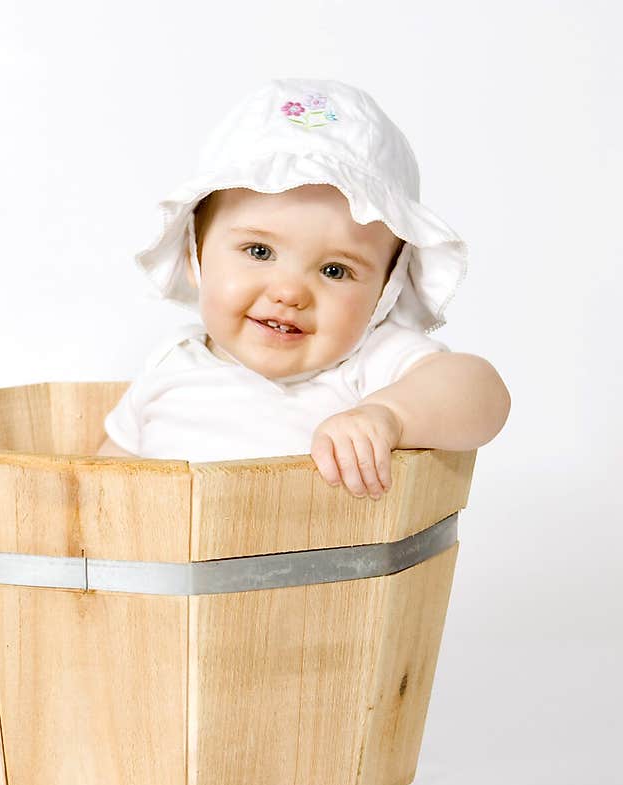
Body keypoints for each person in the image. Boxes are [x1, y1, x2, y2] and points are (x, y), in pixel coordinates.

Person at [97, 78, 510, 500]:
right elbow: (101, 486)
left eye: (334, 270)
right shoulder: (170, 365)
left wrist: (389, 415)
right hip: (173, 563)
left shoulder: (368, 366)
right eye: (259, 251)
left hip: (325, 564)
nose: (290, 292)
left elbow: (484, 394)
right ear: (194, 256)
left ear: (386, 289)